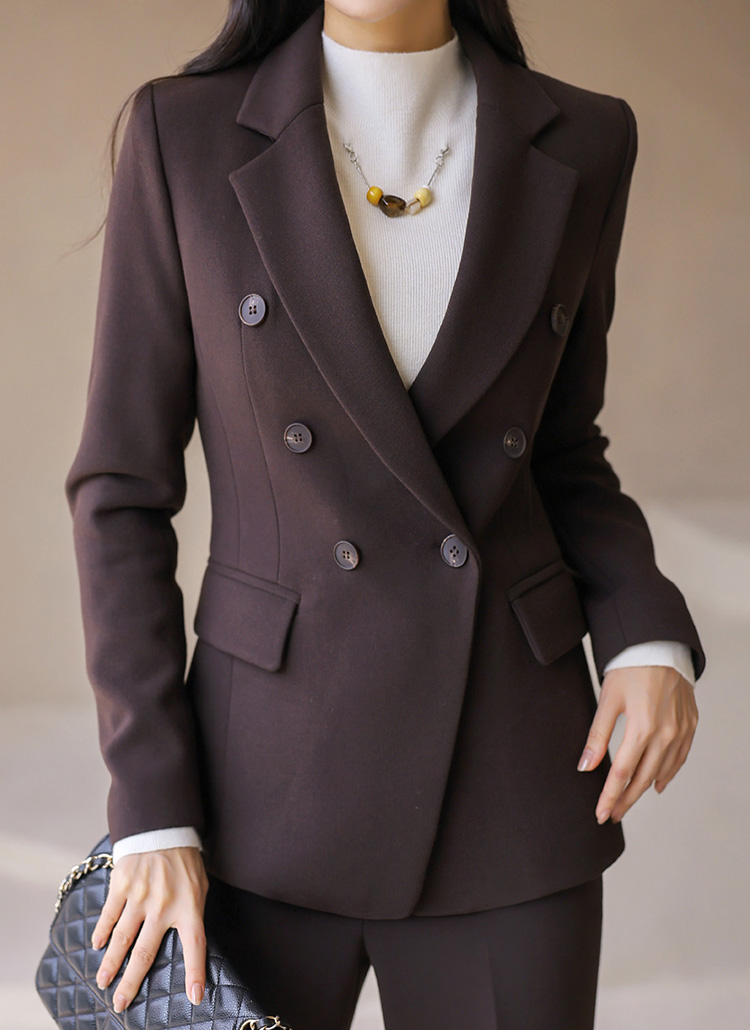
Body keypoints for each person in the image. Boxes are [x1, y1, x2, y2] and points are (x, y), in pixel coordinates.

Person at [63, 2, 705, 1028]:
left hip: (508, 780)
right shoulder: (181, 134)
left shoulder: (587, 140)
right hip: (255, 792)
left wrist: (644, 629)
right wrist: (152, 808)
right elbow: (121, 495)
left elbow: (560, 448)